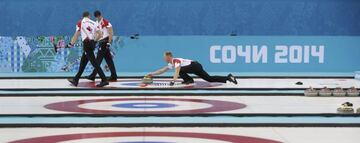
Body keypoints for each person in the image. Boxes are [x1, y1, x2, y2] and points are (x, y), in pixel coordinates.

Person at [67, 11, 109, 87]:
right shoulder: (94, 23)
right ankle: (76, 80)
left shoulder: (80, 22)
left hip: (86, 44)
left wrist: (71, 44)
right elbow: (100, 34)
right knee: (83, 62)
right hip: (92, 43)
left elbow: (76, 35)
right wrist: (94, 41)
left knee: (95, 64)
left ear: (83, 16)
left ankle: (104, 80)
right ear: (89, 16)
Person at [147, 51, 238, 86]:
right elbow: (162, 70)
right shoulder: (171, 64)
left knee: (179, 70)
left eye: (164, 57)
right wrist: (152, 74)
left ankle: (189, 80)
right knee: (209, 79)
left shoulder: (176, 61)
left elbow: (178, 70)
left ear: (169, 56)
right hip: (195, 67)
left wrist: (173, 81)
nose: (163, 58)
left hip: (195, 65)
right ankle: (228, 77)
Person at [85, 10, 117, 82]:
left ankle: (93, 76)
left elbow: (111, 33)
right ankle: (114, 76)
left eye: (98, 17)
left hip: (105, 42)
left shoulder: (106, 22)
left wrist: (109, 42)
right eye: (96, 17)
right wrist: (94, 40)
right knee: (109, 60)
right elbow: (96, 33)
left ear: (100, 15)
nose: (97, 18)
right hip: (100, 42)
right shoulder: (96, 23)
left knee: (98, 60)